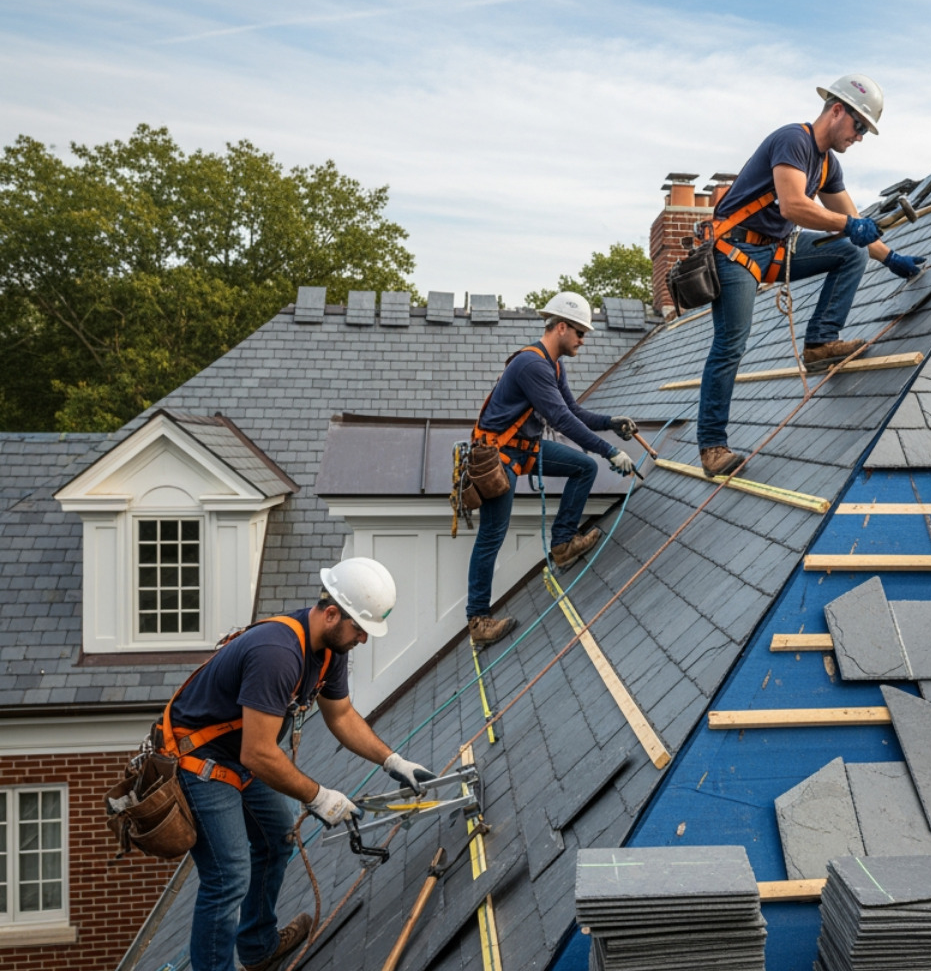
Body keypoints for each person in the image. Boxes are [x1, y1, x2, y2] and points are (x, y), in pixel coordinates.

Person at [162, 557, 434, 971]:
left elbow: (341, 715)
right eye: (360, 628)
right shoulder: (277, 654)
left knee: (277, 837)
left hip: (239, 757)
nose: (363, 639)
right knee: (228, 876)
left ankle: (258, 948)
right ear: (331, 614)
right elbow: (258, 753)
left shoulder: (329, 650)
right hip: (199, 762)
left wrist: (392, 761)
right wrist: (319, 797)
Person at [694, 74, 926, 478]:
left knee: (851, 250)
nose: (859, 137)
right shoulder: (793, 141)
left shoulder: (828, 165)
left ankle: (820, 342)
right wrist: (849, 225)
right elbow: (793, 206)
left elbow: (854, 224)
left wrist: (891, 259)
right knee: (732, 343)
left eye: (865, 131)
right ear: (837, 110)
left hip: (773, 250)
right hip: (735, 251)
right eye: (859, 126)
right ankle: (712, 446)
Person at [466, 291, 638, 644]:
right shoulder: (532, 365)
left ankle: (563, 546)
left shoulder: (553, 365)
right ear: (561, 327)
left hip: (523, 450)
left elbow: (574, 411)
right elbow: (560, 419)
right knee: (492, 536)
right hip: (498, 458)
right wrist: (609, 451)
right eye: (580, 333)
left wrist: (610, 422)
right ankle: (478, 620)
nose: (583, 340)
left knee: (583, 467)